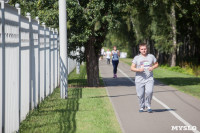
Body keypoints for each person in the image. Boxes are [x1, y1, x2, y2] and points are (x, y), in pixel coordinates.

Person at [131, 43, 158, 113]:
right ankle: (142, 106)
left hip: (149, 78)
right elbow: (132, 68)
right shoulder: (137, 58)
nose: (144, 50)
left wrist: (152, 67)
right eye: (142, 49)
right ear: (139, 50)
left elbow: (156, 64)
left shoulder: (151, 56)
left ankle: (148, 106)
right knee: (140, 95)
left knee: (149, 92)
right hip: (139, 79)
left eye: (145, 49)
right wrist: (139, 70)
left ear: (147, 49)